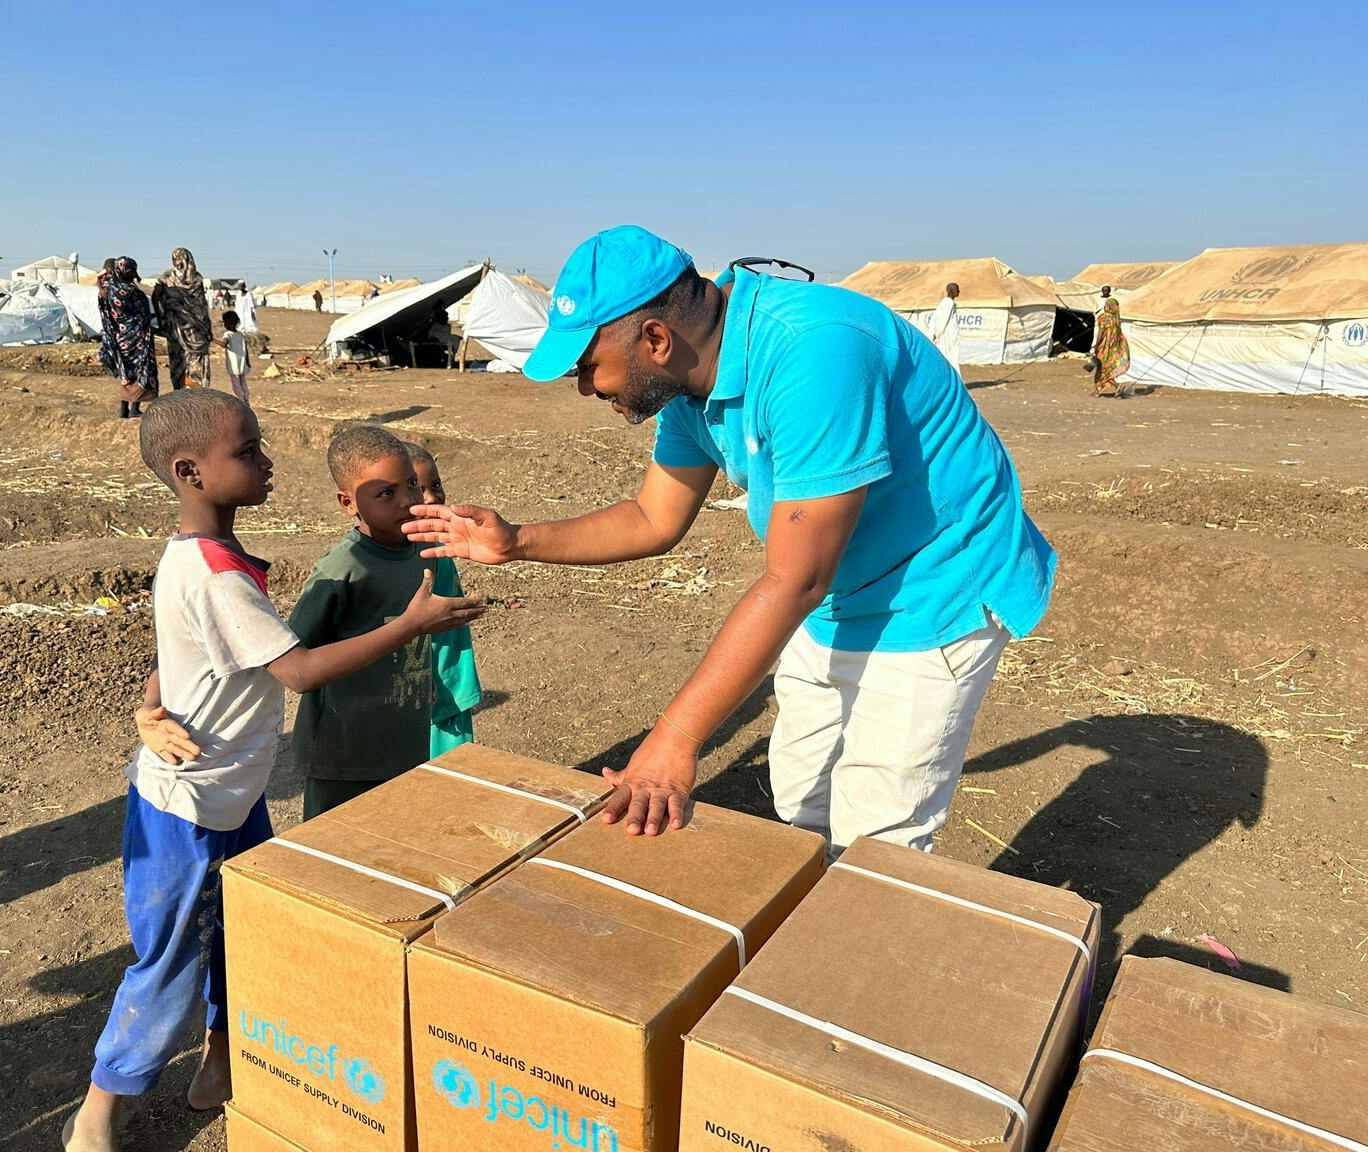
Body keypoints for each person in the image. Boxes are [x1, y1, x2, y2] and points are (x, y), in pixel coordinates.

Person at [407, 225, 1054, 856]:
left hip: (936, 584)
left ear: (655, 338)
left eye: (587, 367)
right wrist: (516, 541)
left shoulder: (814, 350)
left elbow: (797, 577)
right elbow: (652, 517)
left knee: (878, 838)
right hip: (836, 588)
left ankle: (857, 946)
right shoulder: (691, 385)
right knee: (804, 798)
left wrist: (675, 738)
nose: (585, 388)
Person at [62, 392, 483, 1152]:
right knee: (169, 962)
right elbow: (299, 672)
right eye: (249, 451)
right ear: (191, 471)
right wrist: (407, 626)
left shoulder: (199, 557)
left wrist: (147, 702)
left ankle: (220, 1061)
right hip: (185, 811)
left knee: (241, 940)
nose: (267, 461)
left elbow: (178, 646)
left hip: (237, 798)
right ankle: (102, 1104)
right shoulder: (218, 576)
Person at [286, 427, 486, 820]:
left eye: (411, 484)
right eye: (386, 493)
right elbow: (297, 655)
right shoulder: (344, 569)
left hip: (403, 742)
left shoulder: (422, 552)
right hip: (344, 751)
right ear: (348, 503)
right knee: (335, 847)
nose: (408, 500)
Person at [405, 440, 483, 755]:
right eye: (416, 488)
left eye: (435, 485)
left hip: (449, 679)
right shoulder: (402, 560)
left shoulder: (439, 546)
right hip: (423, 689)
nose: (431, 497)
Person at [98, 257, 158, 420]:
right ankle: (134, 410)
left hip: (119, 337)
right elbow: (143, 310)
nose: (133, 275)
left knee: (126, 373)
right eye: (131, 272)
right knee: (139, 372)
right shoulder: (128, 291)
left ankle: (123, 410)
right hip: (135, 338)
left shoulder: (108, 288)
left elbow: (101, 280)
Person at [152, 247, 214, 389]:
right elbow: (156, 296)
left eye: (178, 258)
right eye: (174, 259)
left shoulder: (195, 278)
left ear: (186, 259)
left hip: (196, 327)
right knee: (179, 358)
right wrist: (161, 318)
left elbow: (202, 304)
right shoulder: (167, 277)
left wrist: (207, 327)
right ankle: (181, 393)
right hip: (177, 326)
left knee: (196, 358)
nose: (175, 262)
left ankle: (196, 393)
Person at [1092, 291, 1132, 398]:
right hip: (1114, 348)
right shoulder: (1116, 320)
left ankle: (1115, 386)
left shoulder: (1103, 319)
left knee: (1102, 369)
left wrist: (1096, 345)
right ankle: (1097, 391)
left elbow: (1100, 334)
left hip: (1104, 347)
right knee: (1105, 368)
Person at [928, 281, 961, 372]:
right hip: (946, 337)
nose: (959, 291)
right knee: (950, 358)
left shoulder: (947, 302)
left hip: (948, 335)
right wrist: (937, 334)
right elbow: (942, 320)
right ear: (952, 290)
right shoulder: (948, 303)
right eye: (957, 289)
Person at [219, 310, 250, 403]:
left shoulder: (228, 334)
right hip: (242, 360)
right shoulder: (240, 335)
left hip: (234, 362)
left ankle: (241, 400)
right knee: (243, 381)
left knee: (236, 383)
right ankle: (246, 398)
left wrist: (212, 339)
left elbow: (224, 344)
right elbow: (246, 349)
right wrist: (247, 362)